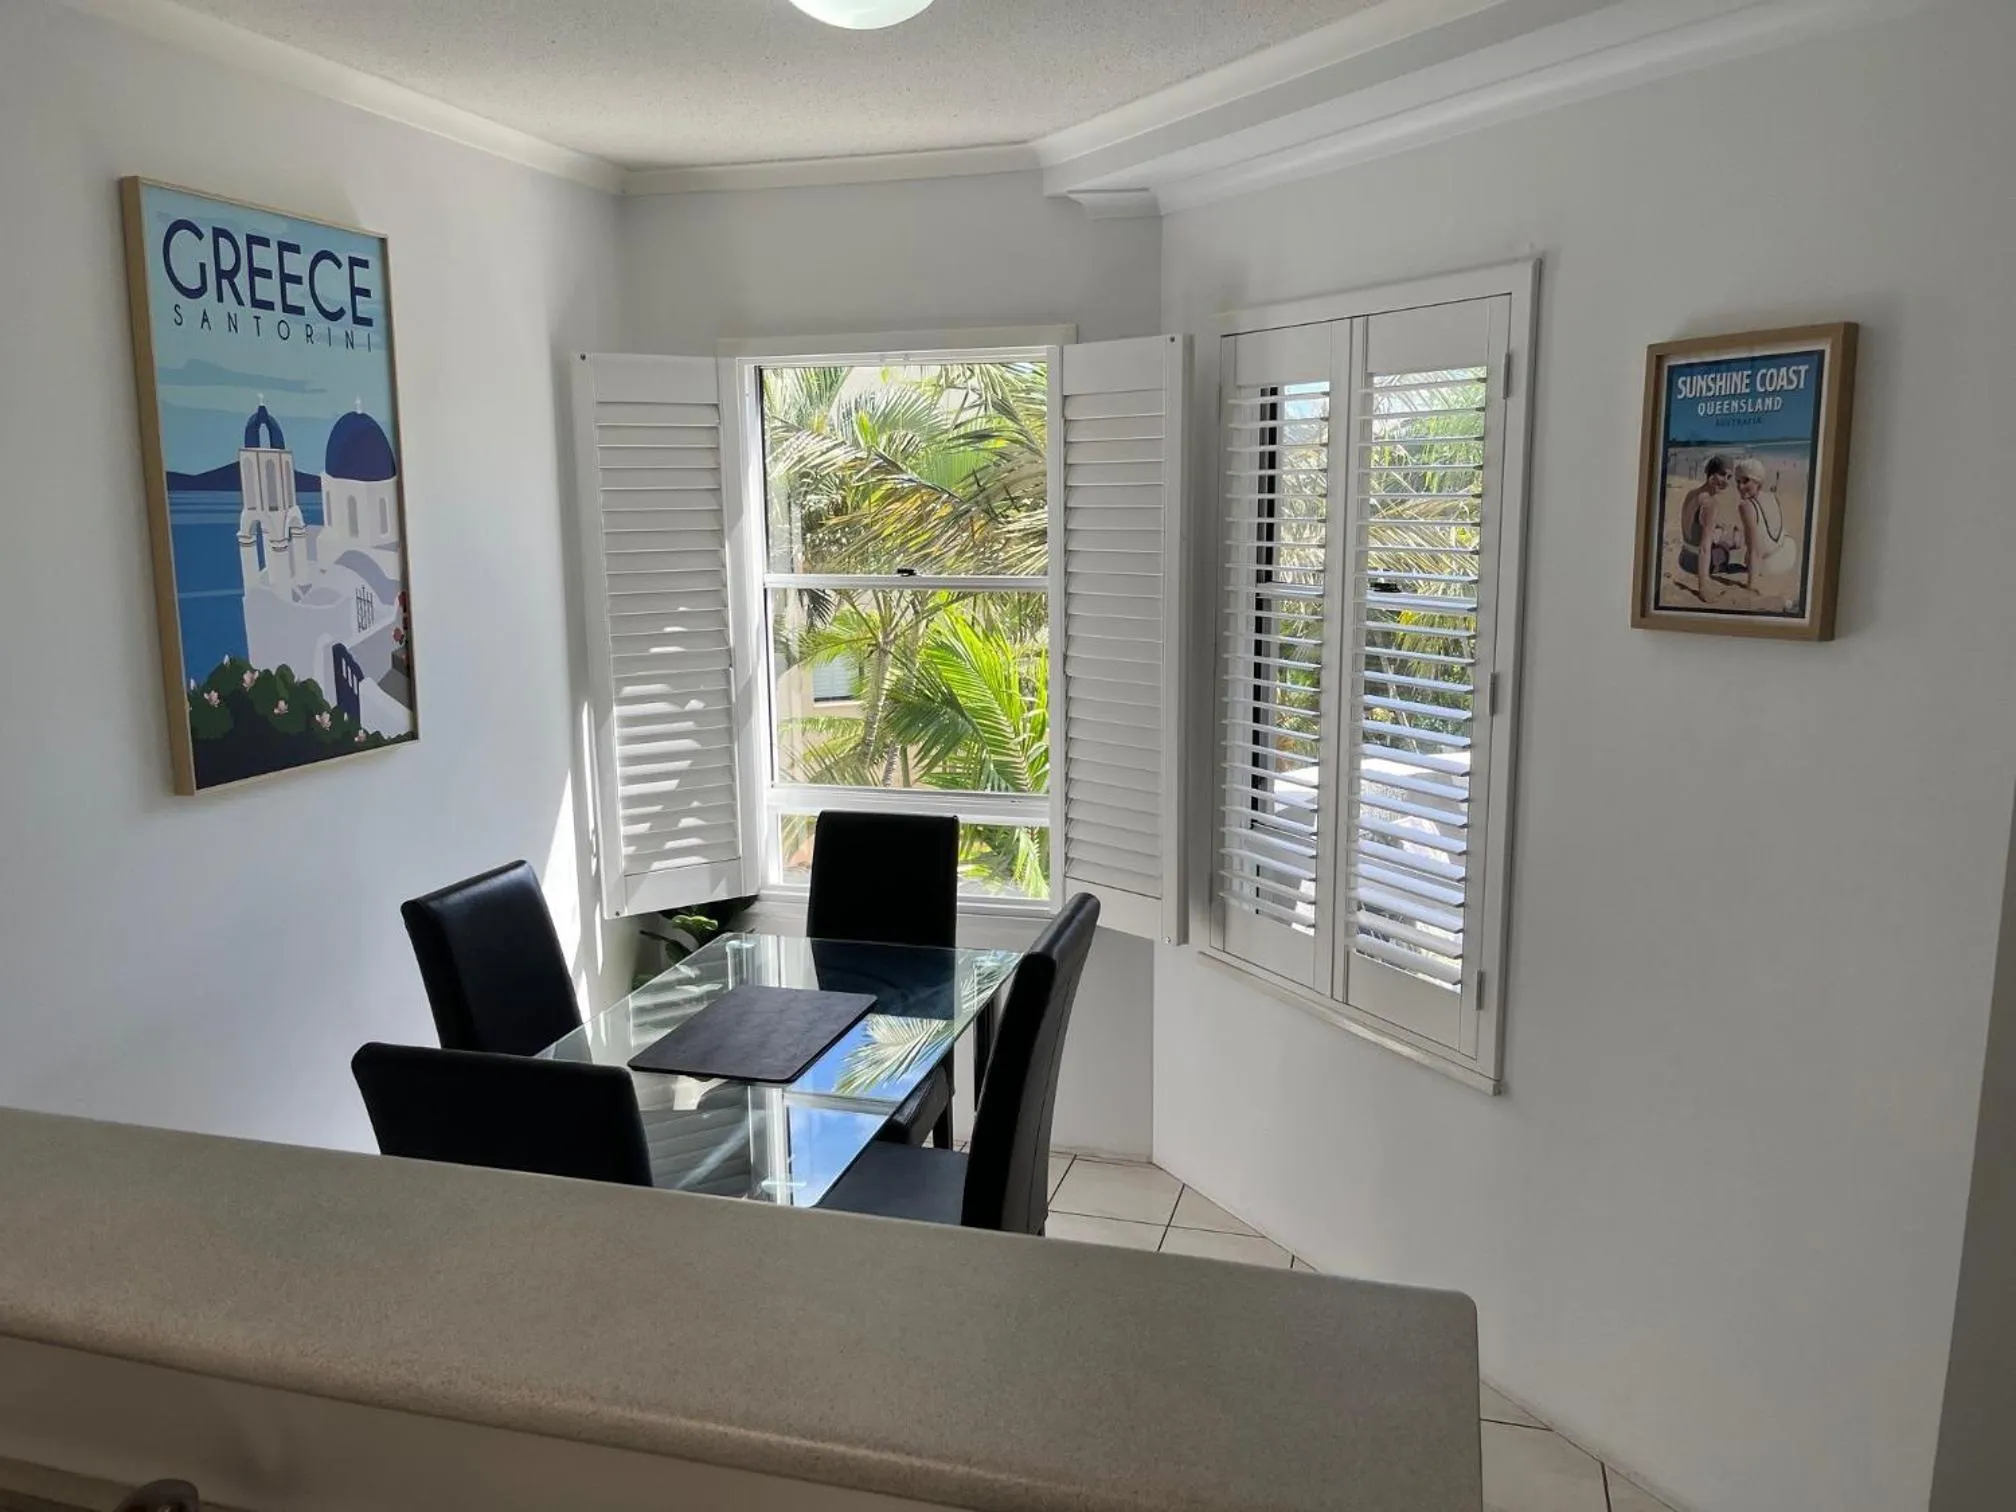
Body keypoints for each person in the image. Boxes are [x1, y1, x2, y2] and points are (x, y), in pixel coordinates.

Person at [1732, 457, 1799, 585]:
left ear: (1758, 482)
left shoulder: (1746, 506)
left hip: (1770, 565)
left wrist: (1751, 586)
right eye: (1738, 481)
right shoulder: (1772, 497)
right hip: (1789, 552)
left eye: (1746, 481)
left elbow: (1754, 550)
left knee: (1743, 544)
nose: (1740, 486)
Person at [1676, 455, 1734, 600]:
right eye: (1722, 474)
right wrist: (1703, 587)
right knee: (1731, 541)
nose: (1725, 481)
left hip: (1683, 558)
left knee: (1720, 532)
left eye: (1729, 477)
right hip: (1695, 564)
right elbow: (1704, 548)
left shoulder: (1692, 493)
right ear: (1711, 473)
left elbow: (1690, 524)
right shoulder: (1710, 503)